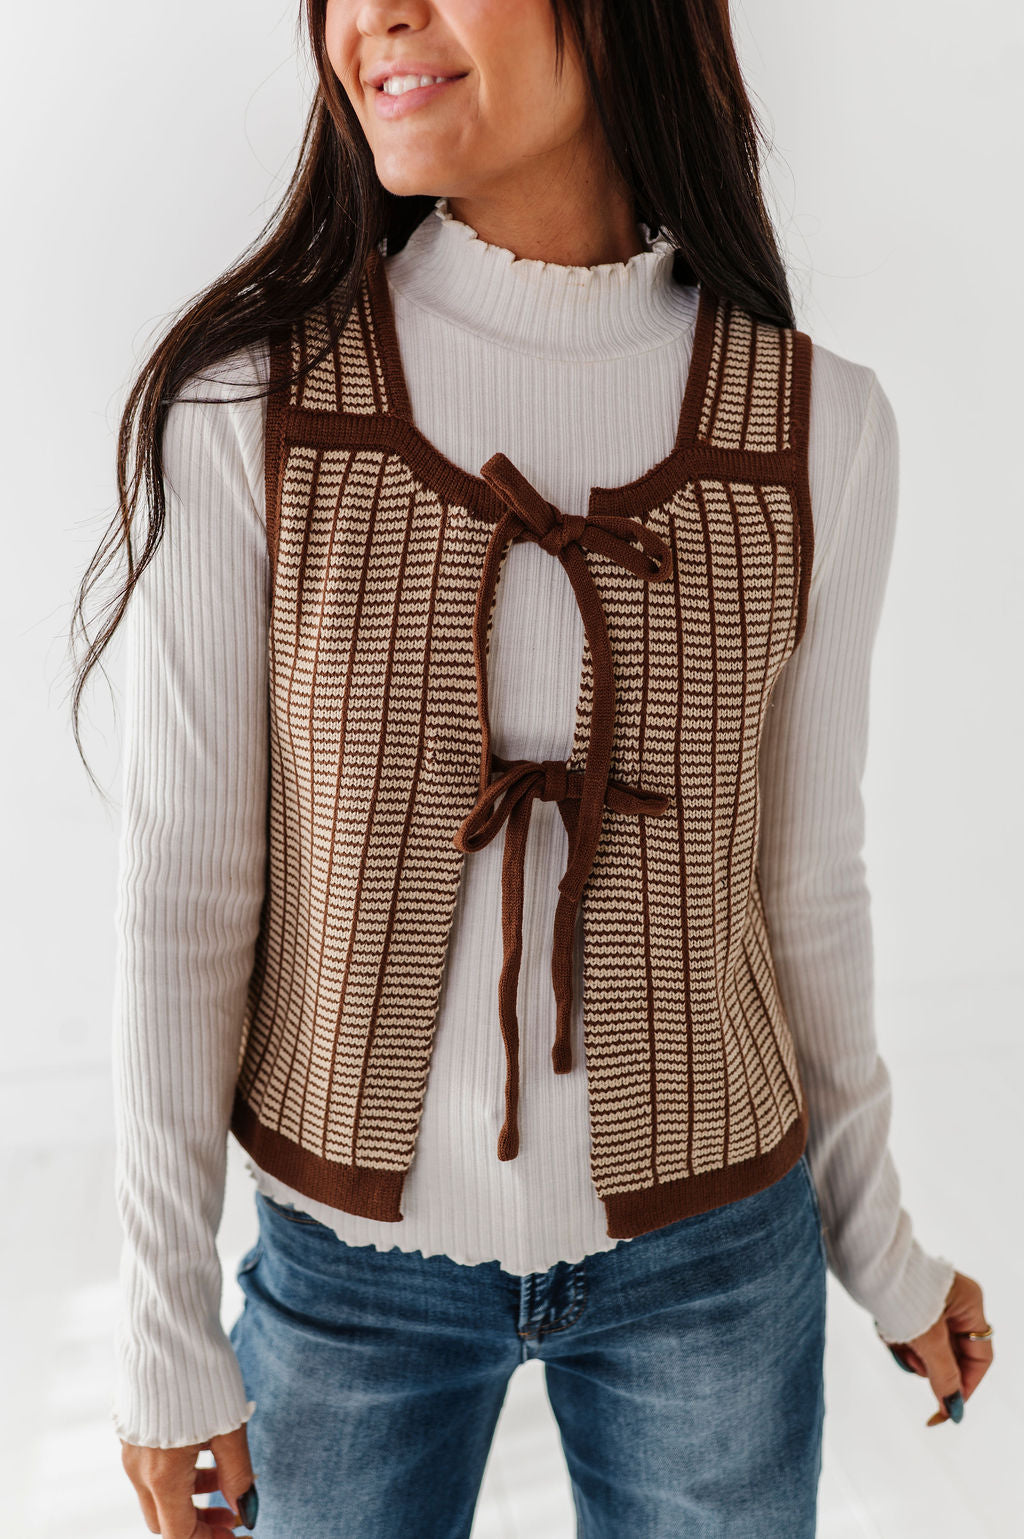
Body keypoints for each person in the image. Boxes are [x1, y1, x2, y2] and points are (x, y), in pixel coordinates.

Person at [69, 2, 994, 1536]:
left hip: (717, 1263)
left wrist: (880, 1249)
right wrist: (164, 1335)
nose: (378, 17)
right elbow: (183, 899)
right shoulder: (251, 412)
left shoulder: (819, 429)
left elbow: (807, 888)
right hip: (345, 1279)